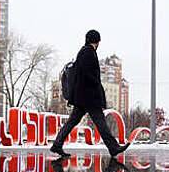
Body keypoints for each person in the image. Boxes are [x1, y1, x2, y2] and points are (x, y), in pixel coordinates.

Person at [50, 30, 130, 158]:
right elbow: (89, 76)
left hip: (82, 97)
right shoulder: (89, 53)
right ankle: (113, 147)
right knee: (100, 122)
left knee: (72, 122)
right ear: (96, 41)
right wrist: (98, 90)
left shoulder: (83, 52)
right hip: (89, 97)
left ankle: (57, 145)